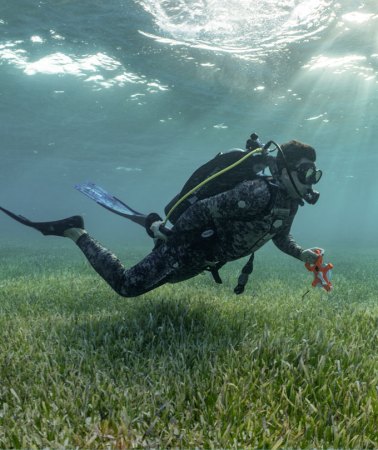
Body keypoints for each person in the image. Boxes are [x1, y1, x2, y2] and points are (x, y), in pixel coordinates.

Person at [2, 140, 324, 297]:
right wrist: (168, 231)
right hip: (186, 247)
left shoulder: (289, 203)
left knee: (161, 279)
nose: (311, 181)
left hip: (204, 258)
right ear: (283, 170)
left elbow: (279, 235)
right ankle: (76, 231)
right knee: (127, 286)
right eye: (306, 173)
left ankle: (88, 230)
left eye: (315, 174)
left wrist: (301, 254)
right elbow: (203, 209)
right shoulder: (258, 192)